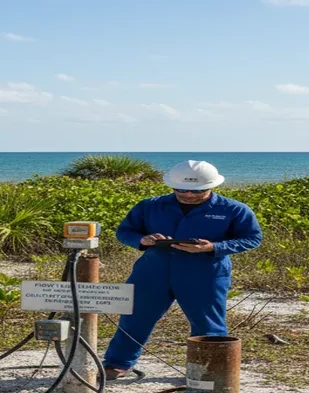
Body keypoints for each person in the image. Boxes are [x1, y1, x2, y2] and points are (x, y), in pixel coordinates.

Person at [102, 160, 263, 379]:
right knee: (135, 317)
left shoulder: (233, 209)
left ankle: (209, 371)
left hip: (205, 273)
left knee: (208, 324)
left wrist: (214, 247)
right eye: (181, 189)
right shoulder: (150, 205)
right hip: (152, 272)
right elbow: (125, 231)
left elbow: (252, 238)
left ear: (212, 186)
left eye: (197, 190)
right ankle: (117, 364)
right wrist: (143, 239)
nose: (188, 194)